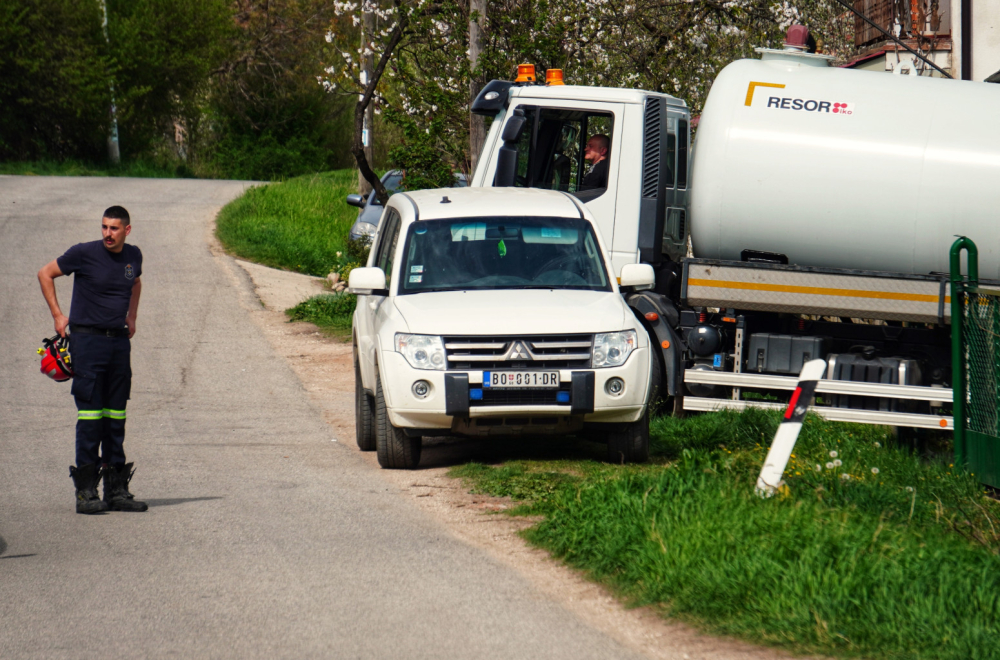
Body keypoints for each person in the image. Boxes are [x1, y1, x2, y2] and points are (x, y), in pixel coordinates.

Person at [38, 206, 147, 514]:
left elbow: (135, 282)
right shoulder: (83, 253)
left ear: (127, 230)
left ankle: (116, 491)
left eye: (114, 228)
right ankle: (86, 492)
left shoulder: (133, 256)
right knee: (90, 417)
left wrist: (132, 316)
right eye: (104, 227)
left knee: (116, 417)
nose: (107, 234)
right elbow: (45, 273)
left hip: (118, 344)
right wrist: (58, 316)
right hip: (87, 342)